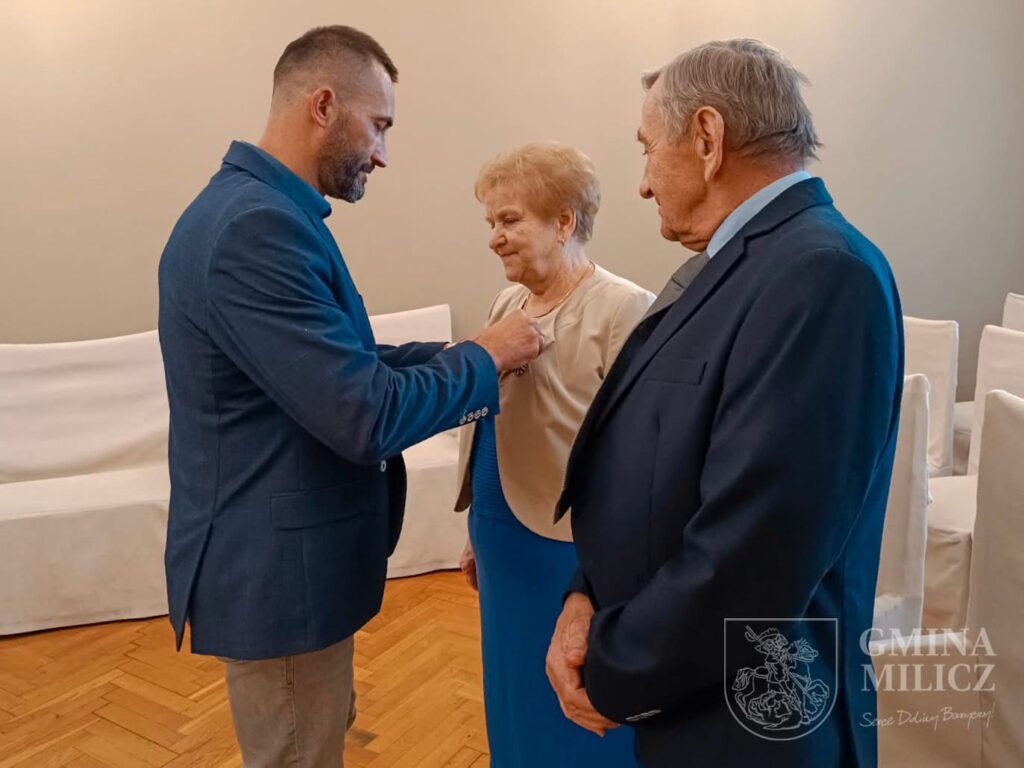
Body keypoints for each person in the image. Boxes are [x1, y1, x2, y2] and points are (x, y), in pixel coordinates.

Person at [158, 25, 542, 767]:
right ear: (324, 105)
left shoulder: (259, 211)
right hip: (280, 582)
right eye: (380, 124)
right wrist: (485, 360)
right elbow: (364, 415)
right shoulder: (255, 228)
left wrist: (462, 353)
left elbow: (340, 364)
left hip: (289, 570)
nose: (383, 153)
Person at [545, 39, 903, 767]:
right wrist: (587, 594)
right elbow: (666, 464)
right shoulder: (748, 260)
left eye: (647, 148)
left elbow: (756, 551)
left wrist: (612, 667)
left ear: (707, 138)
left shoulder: (820, 274)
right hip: (697, 693)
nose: (643, 184)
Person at [455, 143, 653, 767]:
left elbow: (638, 453)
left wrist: (606, 568)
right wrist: (475, 527)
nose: (495, 237)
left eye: (510, 220)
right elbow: (494, 422)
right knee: (513, 689)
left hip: (572, 550)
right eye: (491, 222)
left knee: (574, 695)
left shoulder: (624, 307)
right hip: (500, 533)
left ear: (564, 221)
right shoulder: (505, 304)